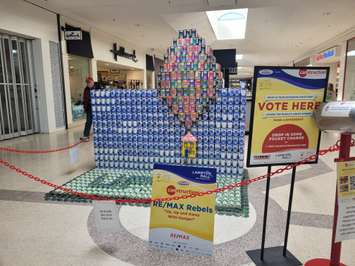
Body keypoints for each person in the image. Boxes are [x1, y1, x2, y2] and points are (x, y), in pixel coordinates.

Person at [80, 77, 95, 141]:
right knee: (88, 122)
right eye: (88, 83)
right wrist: (85, 107)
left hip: (97, 108)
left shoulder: (97, 88)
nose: (89, 84)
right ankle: (85, 135)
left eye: (90, 83)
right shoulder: (86, 89)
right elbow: (85, 99)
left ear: (92, 82)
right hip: (89, 108)